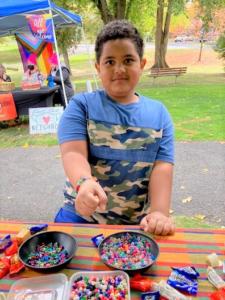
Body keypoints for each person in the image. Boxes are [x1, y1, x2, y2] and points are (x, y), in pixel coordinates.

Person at [55, 20, 175, 236]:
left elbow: (162, 167)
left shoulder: (159, 114)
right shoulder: (81, 106)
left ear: (142, 63)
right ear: (98, 67)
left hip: (136, 224)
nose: (119, 69)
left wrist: (159, 212)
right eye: (110, 61)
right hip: (80, 216)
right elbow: (73, 152)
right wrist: (83, 183)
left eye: (128, 60)